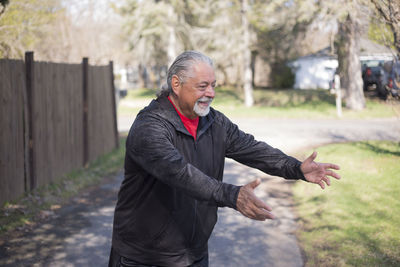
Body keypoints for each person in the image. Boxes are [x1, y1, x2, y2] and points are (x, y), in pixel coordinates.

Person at [109, 51, 340, 267]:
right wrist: (233, 195)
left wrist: (296, 168)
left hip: (194, 254)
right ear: (176, 85)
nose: (211, 93)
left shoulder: (214, 122)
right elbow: (179, 173)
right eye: (203, 86)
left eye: (213, 85)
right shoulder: (149, 127)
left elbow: (252, 148)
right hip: (143, 257)